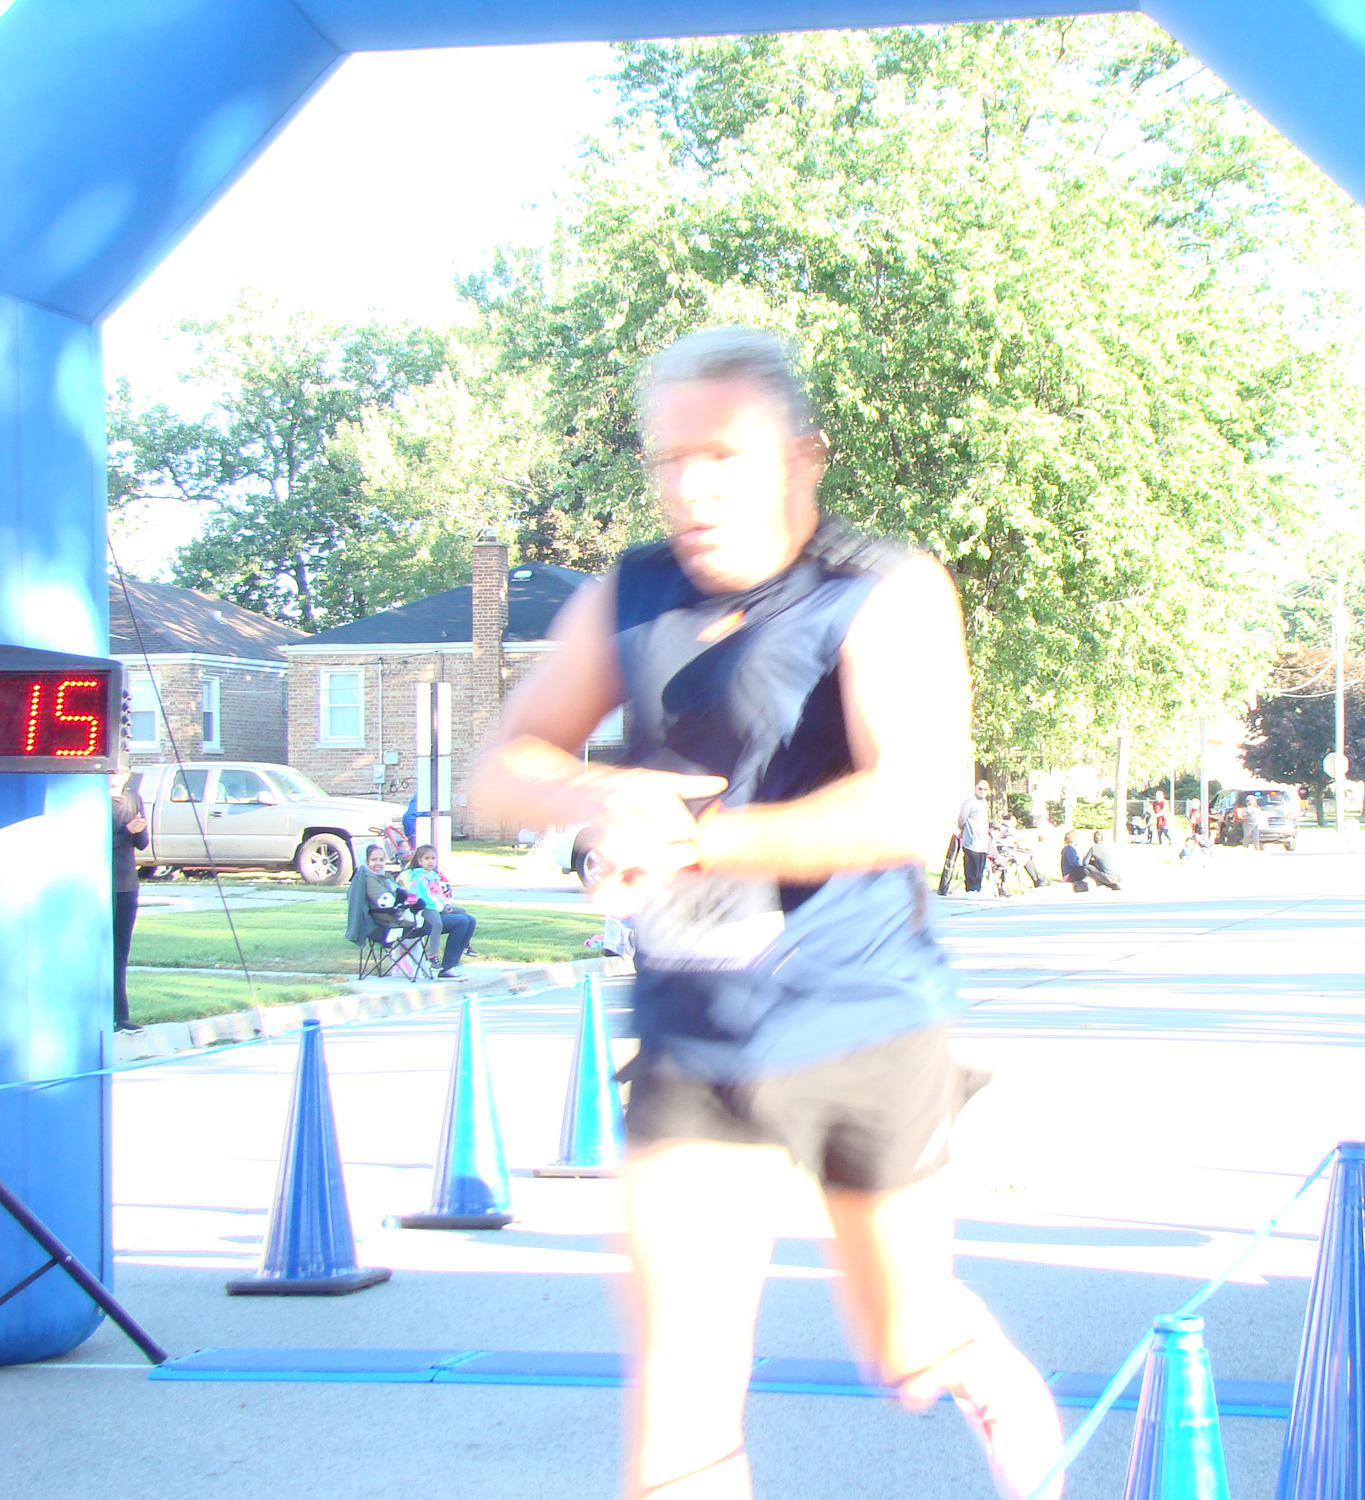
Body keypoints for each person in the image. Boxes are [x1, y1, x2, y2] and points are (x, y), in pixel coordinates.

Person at [467, 327, 1064, 1500]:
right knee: (680, 1385)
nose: (689, 489)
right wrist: (596, 794)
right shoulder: (629, 594)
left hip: (862, 1018)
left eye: (722, 457)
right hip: (697, 1035)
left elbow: (907, 807)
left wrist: (691, 839)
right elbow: (501, 764)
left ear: (803, 459)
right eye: (667, 461)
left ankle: (975, 1364)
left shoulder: (878, 587)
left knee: (905, 1348)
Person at [346, 841, 434, 971]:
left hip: (396, 920)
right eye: (374, 860)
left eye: (381, 860)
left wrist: (410, 903)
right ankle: (414, 968)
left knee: (421, 927)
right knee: (422, 927)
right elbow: (386, 902)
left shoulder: (384, 877)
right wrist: (405, 903)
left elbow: (400, 895)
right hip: (382, 925)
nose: (378, 863)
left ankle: (413, 968)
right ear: (365, 860)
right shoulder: (369, 878)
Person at [399, 844, 477, 978]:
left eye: (433, 858)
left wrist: (445, 905)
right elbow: (423, 896)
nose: (431, 861)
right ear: (419, 861)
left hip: (438, 907)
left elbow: (438, 894)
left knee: (469, 918)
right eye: (427, 858)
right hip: (424, 915)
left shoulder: (433, 875)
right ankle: (439, 961)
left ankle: (464, 947)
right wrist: (440, 907)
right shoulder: (418, 876)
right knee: (461, 921)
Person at [110, 767, 148, 1032]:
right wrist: (125, 831)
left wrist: (137, 830)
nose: (114, 776)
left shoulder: (134, 799)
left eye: (120, 771)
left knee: (120, 951)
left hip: (126, 884)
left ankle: (120, 1015)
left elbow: (142, 843)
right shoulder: (93, 801)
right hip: (102, 885)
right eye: (111, 771)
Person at [958, 779, 992, 894]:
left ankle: (977, 889)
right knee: (971, 865)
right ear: (975, 789)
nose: (982, 791)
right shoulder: (970, 801)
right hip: (971, 840)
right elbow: (962, 819)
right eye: (980, 788)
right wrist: (963, 829)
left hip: (982, 841)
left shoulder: (984, 803)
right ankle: (970, 889)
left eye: (985, 789)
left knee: (980, 867)